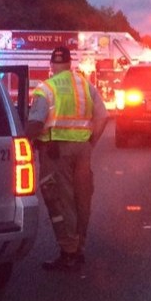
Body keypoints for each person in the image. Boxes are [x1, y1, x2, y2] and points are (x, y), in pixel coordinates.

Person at [26, 46, 108, 272]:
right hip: (82, 150)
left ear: (52, 65)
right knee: (82, 198)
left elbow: (35, 123)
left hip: (55, 152)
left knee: (60, 200)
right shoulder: (84, 85)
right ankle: (79, 247)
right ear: (70, 65)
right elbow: (103, 116)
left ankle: (68, 253)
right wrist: (89, 142)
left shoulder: (46, 89)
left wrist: (21, 139)